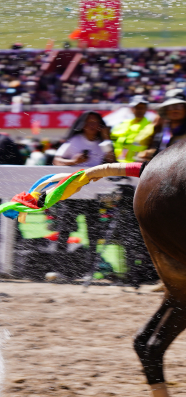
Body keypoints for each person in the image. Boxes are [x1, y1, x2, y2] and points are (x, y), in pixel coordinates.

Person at [53, 111, 115, 279]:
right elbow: (56, 160)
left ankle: (90, 271)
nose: (92, 125)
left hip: (93, 194)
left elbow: (112, 160)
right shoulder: (75, 140)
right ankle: (58, 269)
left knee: (93, 233)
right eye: (89, 122)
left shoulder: (103, 143)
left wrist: (106, 138)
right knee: (64, 230)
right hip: (73, 193)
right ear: (82, 124)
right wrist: (74, 161)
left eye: (96, 122)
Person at [142, 93, 186, 159]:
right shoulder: (162, 128)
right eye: (170, 107)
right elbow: (159, 148)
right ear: (165, 111)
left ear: (185, 110)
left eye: (179, 106)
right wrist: (150, 153)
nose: (175, 110)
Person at [111, 95, 154, 163]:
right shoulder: (122, 124)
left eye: (142, 107)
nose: (139, 110)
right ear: (131, 109)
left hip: (138, 164)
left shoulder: (151, 126)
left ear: (146, 109)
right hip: (118, 162)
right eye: (137, 107)